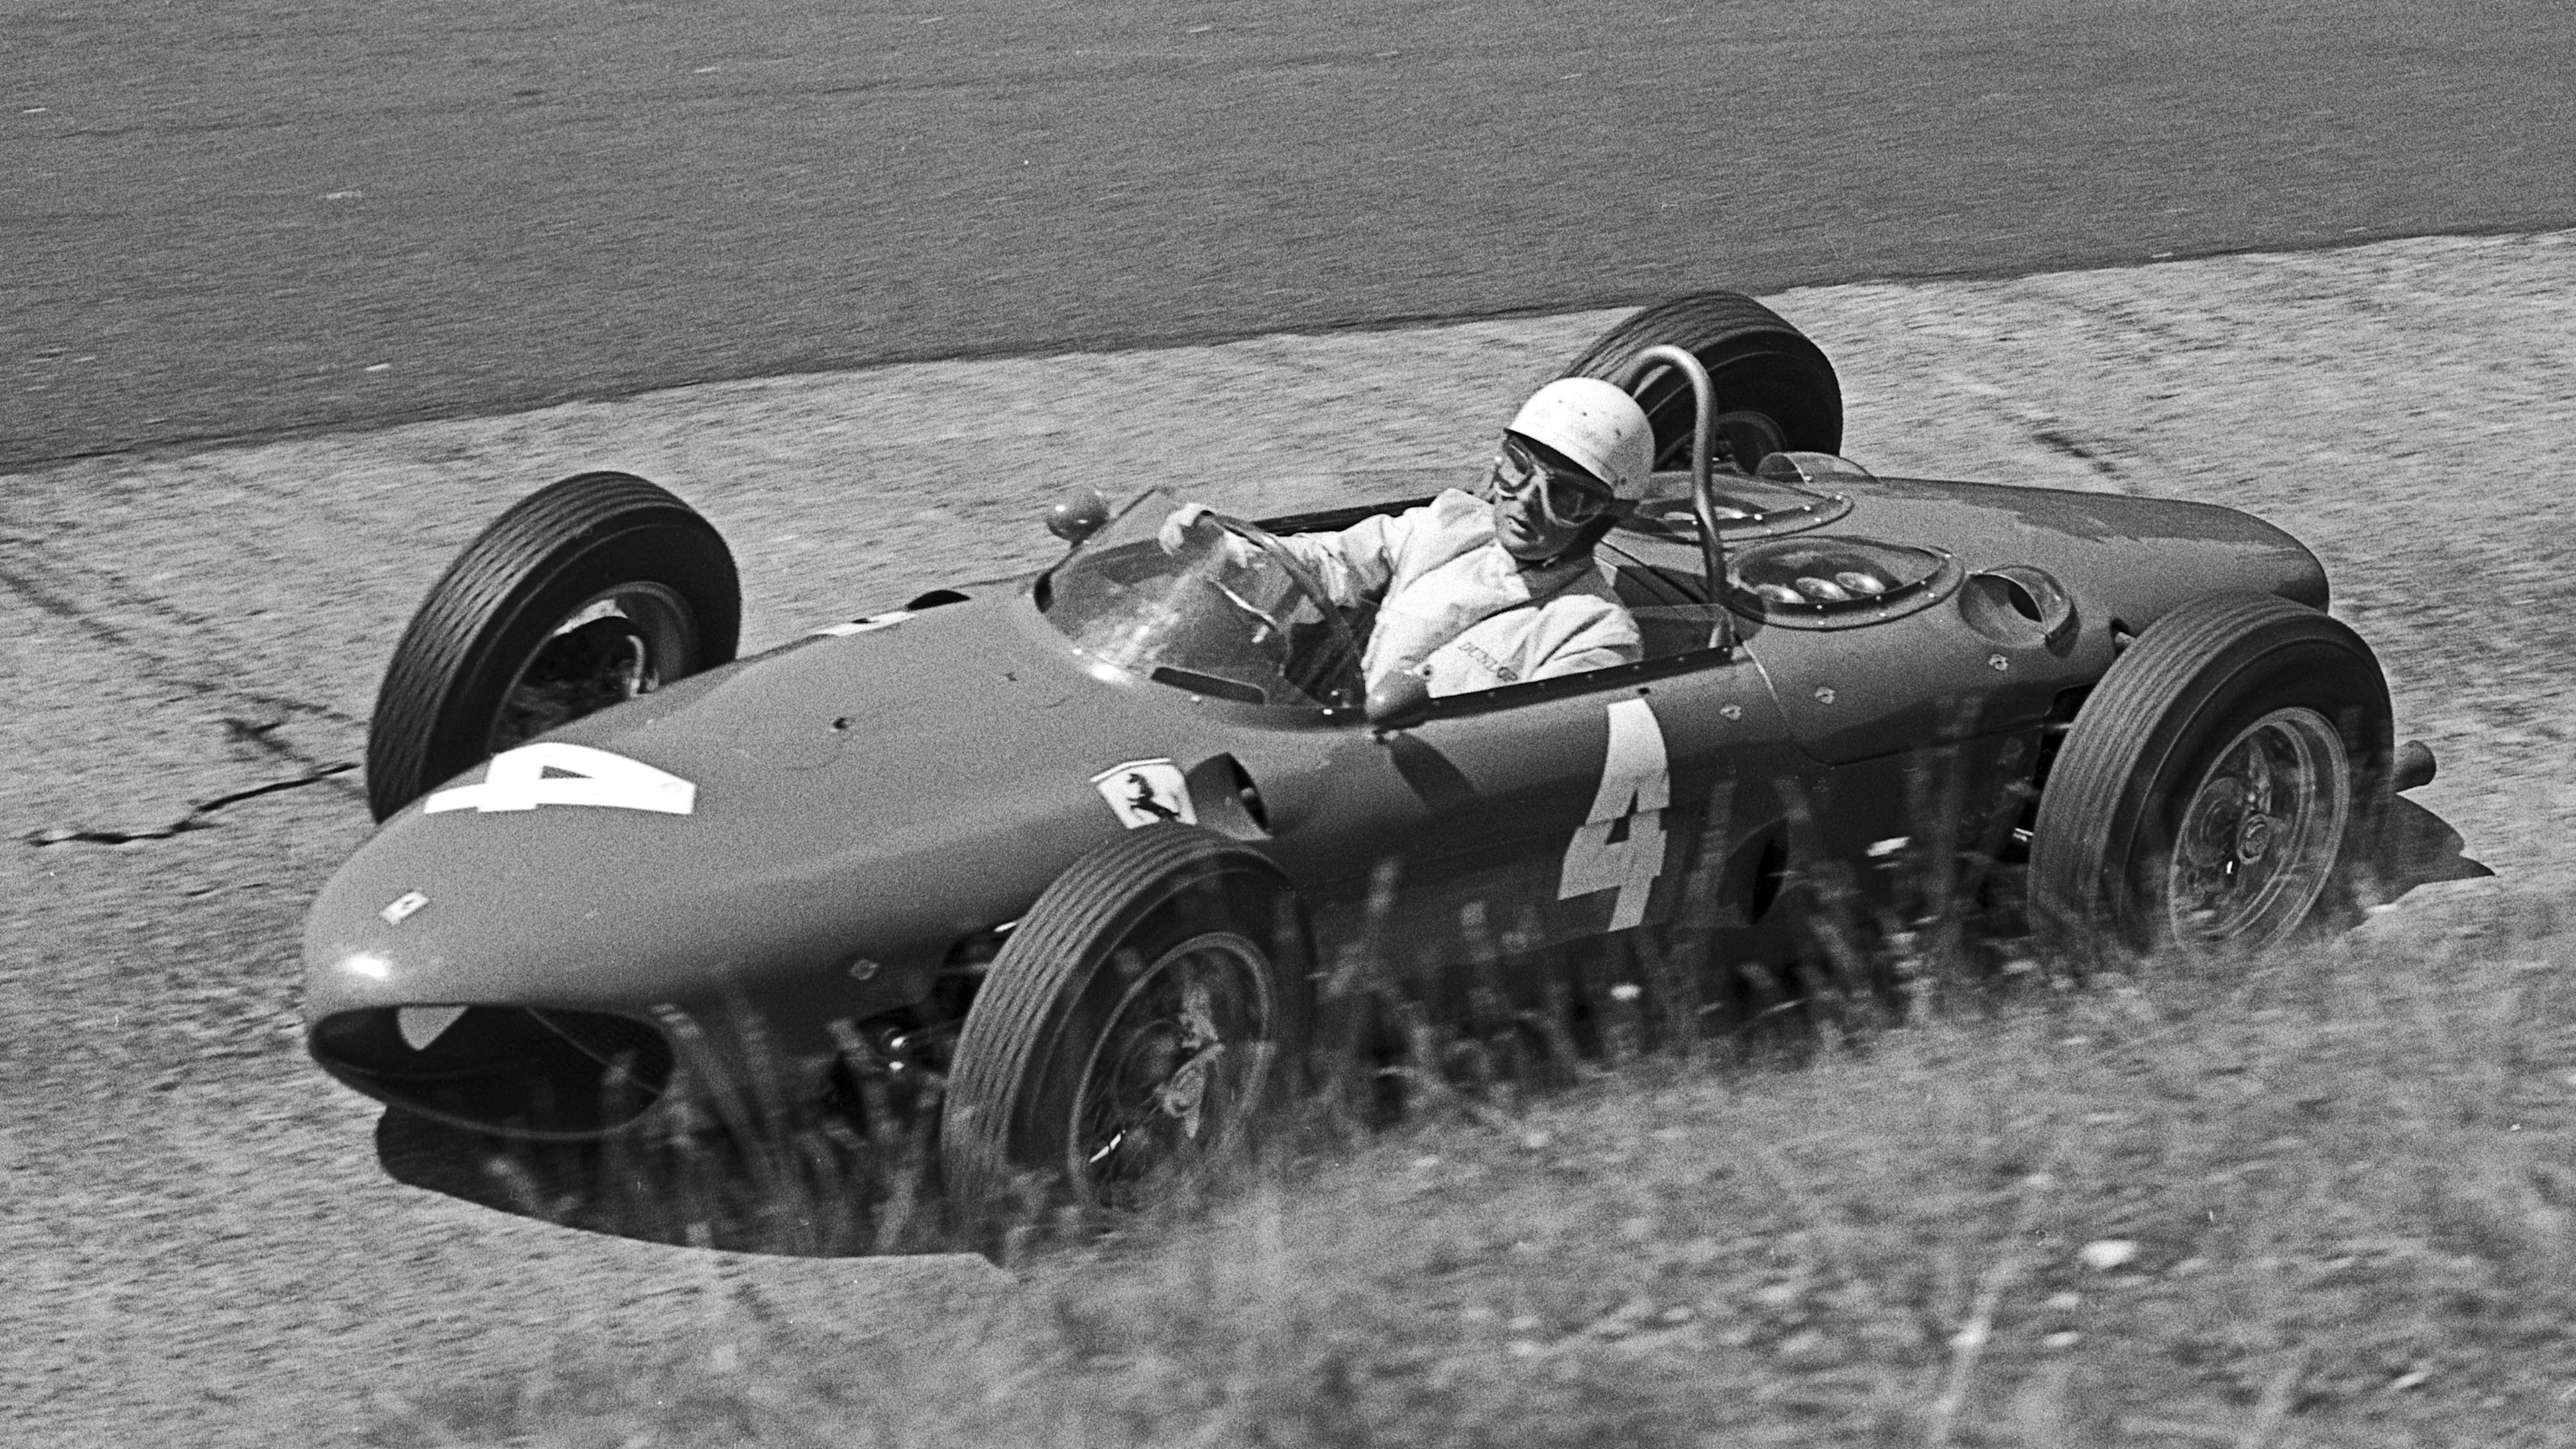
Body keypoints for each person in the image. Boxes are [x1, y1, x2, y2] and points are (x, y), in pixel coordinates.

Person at [1160, 377, 1653, 697]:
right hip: (1336, 742)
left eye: (1566, 497)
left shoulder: (1595, 632)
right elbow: (1328, 562)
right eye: (1518, 468)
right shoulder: (1449, 526)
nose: (1525, 500)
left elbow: (1537, 751)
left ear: (1607, 516)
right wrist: (1225, 550)